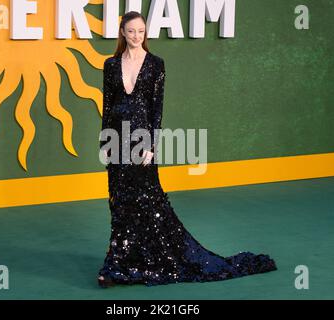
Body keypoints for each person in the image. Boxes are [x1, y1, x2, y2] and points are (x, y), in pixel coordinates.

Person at [97, 11, 277, 287]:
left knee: (148, 202)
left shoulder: (156, 64)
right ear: (122, 32)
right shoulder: (110, 65)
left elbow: (156, 108)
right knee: (120, 203)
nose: (136, 36)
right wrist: (104, 143)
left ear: (146, 34)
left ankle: (150, 259)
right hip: (116, 139)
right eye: (131, 31)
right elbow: (108, 106)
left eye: (141, 31)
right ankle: (118, 263)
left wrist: (151, 146)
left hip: (141, 141)